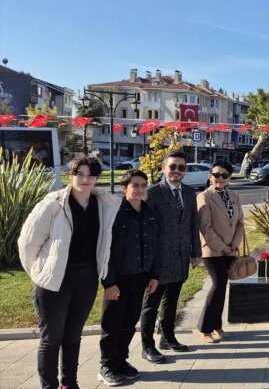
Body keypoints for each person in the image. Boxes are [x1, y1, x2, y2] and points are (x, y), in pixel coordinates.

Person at [18, 157, 121, 389]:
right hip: (54, 281)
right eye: (80, 174)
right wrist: (40, 273)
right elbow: (27, 243)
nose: (85, 179)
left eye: (91, 175)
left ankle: (69, 384)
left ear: (96, 178)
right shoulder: (53, 204)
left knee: (73, 337)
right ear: (70, 174)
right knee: (51, 339)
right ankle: (49, 386)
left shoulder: (104, 204)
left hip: (86, 280)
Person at [98, 170, 161, 385]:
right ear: (125, 188)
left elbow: (156, 247)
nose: (141, 189)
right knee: (111, 324)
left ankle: (120, 360)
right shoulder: (114, 213)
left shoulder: (150, 212)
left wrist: (155, 276)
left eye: (144, 185)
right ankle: (106, 364)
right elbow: (104, 250)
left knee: (129, 322)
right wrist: (109, 282)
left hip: (141, 277)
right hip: (118, 279)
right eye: (135, 185)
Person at [140, 149, 201, 364]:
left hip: (181, 257)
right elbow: (147, 229)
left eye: (181, 168)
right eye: (172, 167)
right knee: (151, 303)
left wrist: (196, 253)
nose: (177, 171)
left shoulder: (190, 192)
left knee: (172, 300)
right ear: (164, 168)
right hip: (158, 260)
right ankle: (147, 346)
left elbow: (194, 223)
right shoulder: (154, 192)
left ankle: (168, 338)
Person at [196, 161, 244, 343]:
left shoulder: (234, 196)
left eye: (224, 175)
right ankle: (205, 328)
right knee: (218, 285)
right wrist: (223, 246)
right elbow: (205, 227)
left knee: (222, 287)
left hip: (230, 249)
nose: (220, 178)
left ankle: (217, 326)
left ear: (229, 178)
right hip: (213, 250)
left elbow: (240, 222)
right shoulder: (204, 196)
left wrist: (234, 243)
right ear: (210, 177)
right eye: (216, 175)